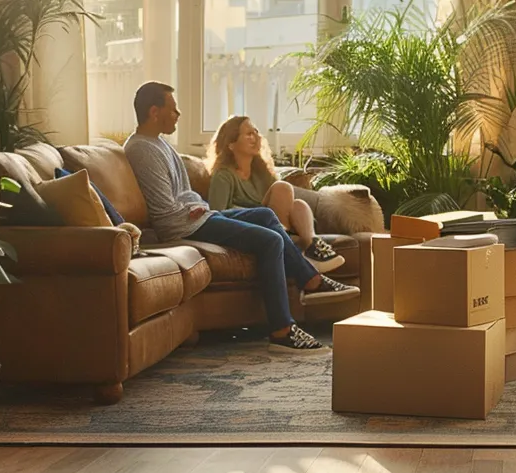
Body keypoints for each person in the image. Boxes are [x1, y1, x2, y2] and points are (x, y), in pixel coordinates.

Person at [124, 82, 360, 352]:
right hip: (182, 225)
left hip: (196, 216)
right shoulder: (141, 149)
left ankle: (311, 280)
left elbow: (183, 196)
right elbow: (165, 210)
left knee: (265, 214)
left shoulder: (159, 144)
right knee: (270, 241)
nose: (178, 115)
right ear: (155, 112)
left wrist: (199, 206)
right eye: (173, 109)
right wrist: (196, 209)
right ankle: (282, 330)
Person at [205, 115, 345, 274]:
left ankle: (312, 244)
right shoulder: (223, 175)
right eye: (248, 134)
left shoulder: (261, 172)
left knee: (298, 204)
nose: (256, 137)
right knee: (282, 188)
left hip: (276, 224)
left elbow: (283, 205)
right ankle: (288, 248)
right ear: (231, 144)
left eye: (256, 132)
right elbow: (216, 214)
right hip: (253, 226)